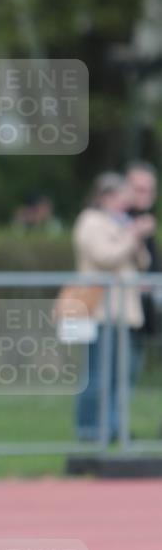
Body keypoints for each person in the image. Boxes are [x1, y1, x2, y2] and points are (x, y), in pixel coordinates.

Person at [72, 172, 154, 442]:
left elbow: (143, 262)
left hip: (123, 313)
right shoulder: (90, 221)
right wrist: (131, 235)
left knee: (120, 376)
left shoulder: (121, 223)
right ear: (105, 197)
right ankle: (89, 430)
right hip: (98, 311)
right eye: (121, 198)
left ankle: (113, 428)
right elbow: (105, 256)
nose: (125, 204)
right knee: (97, 375)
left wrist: (136, 236)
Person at [125, 161, 160, 379]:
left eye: (149, 189)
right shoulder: (115, 219)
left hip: (141, 313)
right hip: (118, 313)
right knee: (111, 375)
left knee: (131, 372)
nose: (144, 195)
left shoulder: (147, 221)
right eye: (139, 189)